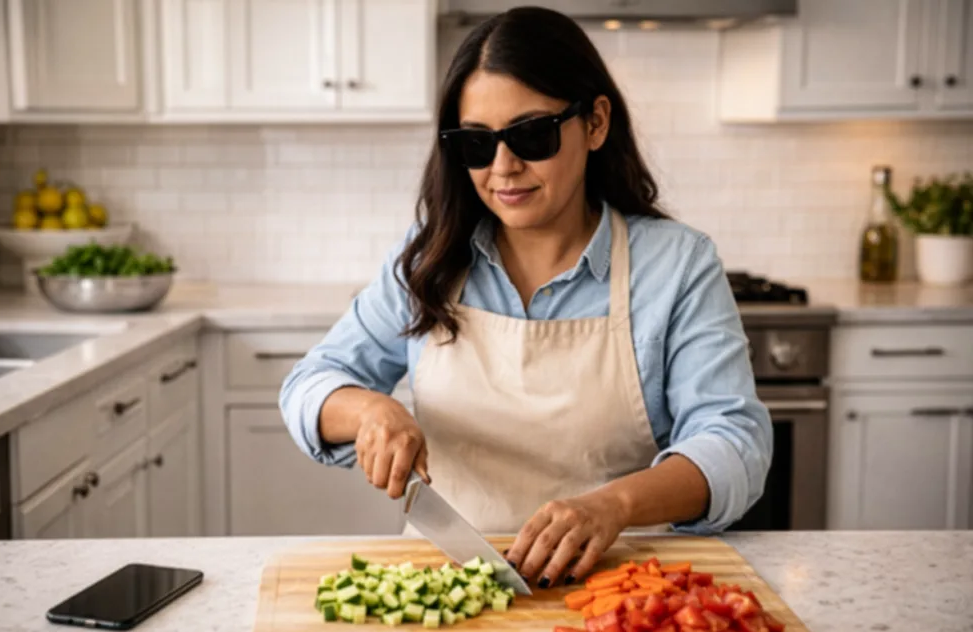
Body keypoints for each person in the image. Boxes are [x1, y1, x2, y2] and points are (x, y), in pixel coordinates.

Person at [280, 6, 772, 589]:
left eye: (531, 135)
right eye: (477, 144)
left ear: (595, 123)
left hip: (622, 587)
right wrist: (370, 410)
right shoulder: (428, 259)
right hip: (451, 584)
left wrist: (613, 506)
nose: (504, 167)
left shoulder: (676, 265)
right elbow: (308, 385)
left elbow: (735, 441)